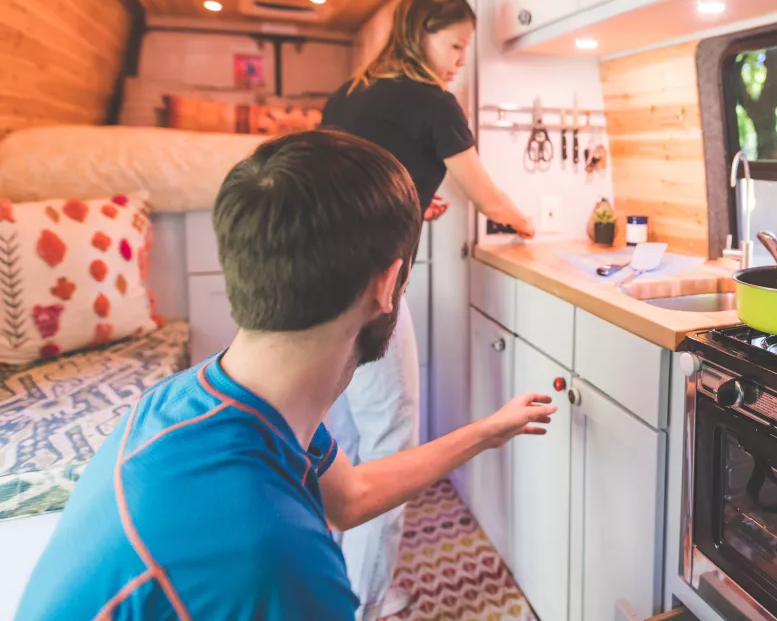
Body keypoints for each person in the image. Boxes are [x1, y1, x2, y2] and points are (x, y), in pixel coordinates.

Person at [15, 130, 555, 620]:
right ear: (388, 284)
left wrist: (488, 431)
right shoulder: (274, 557)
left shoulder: (213, 397)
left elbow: (352, 496)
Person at [318, 0, 534, 617]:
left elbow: (347, 184)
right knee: (392, 445)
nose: (460, 59)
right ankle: (364, 604)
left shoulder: (348, 93)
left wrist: (411, 200)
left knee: (345, 441)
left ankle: (337, 582)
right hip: (370, 291)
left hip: (322, 280)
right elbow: (488, 197)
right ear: (422, 35)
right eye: (456, 45)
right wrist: (528, 226)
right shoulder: (433, 102)